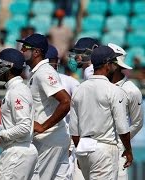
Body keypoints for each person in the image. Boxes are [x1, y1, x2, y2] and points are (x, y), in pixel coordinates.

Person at [69, 45, 133, 179]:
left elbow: (74, 130)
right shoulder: (114, 90)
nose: (115, 67)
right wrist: (128, 150)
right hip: (104, 149)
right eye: (114, 63)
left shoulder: (79, 90)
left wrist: (80, 152)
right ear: (107, 65)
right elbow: (122, 127)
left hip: (84, 148)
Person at [18, 33, 71, 179]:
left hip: (49, 140)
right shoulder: (37, 72)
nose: (22, 50)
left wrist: (43, 126)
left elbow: (66, 101)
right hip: (52, 140)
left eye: (25, 48)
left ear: (36, 52)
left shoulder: (44, 72)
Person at [0, 48, 38, 179]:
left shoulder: (17, 91)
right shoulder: (15, 89)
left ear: (9, 67)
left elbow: (24, 127)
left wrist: (3, 134)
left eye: (0, 65)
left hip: (17, 152)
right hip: (20, 150)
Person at [47, 44, 83, 180]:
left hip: (66, 140)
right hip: (44, 141)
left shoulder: (70, 82)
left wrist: (71, 145)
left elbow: (79, 115)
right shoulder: (35, 81)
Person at [107, 43, 143, 180]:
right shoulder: (96, 85)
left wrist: (122, 143)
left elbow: (137, 122)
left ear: (114, 65)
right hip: (95, 150)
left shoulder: (132, 90)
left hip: (118, 151)